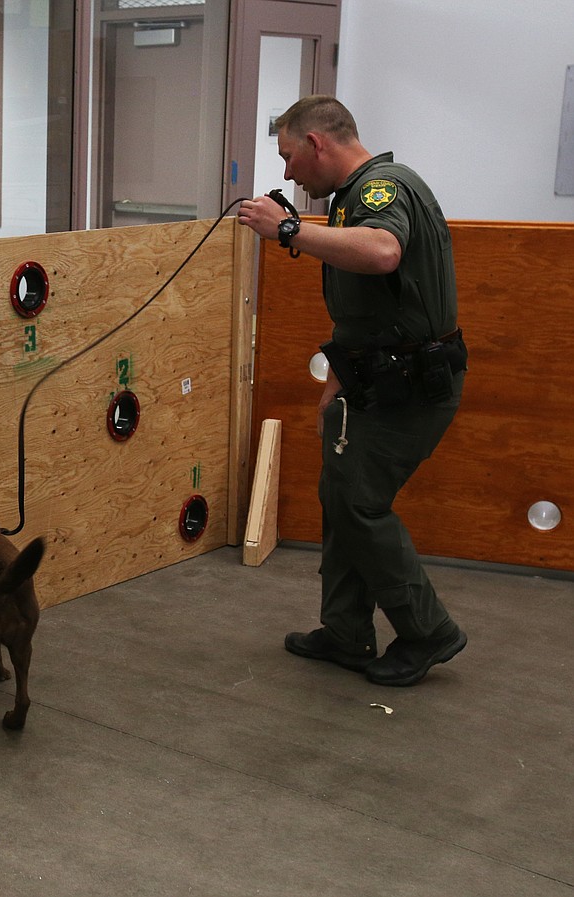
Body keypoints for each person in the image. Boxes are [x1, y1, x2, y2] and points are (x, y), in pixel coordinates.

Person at [237, 95, 468, 687]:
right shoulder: (348, 202)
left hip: (411, 387)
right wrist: (334, 387)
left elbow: (385, 252)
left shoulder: (380, 190)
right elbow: (362, 314)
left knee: (360, 505)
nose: (287, 171)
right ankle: (345, 631)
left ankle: (428, 631)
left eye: (290, 155)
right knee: (341, 495)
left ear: (318, 143)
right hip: (375, 380)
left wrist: (288, 228)